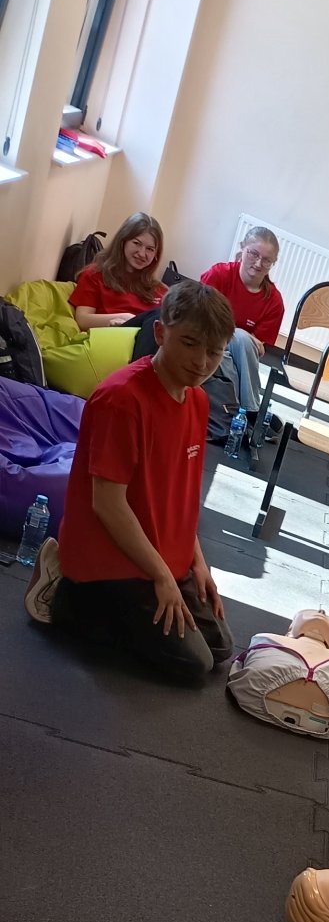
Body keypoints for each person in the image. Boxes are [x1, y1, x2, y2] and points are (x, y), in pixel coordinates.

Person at [23, 280, 235, 681]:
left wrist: (198, 562)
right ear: (161, 333)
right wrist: (161, 576)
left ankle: (126, 599)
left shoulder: (198, 400)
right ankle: (66, 591)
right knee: (195, 665)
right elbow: (107, 503)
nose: (201, 362)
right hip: (108, 556)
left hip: (157, 550)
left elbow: (179, 495)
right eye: (190, 343)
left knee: (221, 648)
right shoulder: (121, 399)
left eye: (214, 351)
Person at [200, 226, 285, 431]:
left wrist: (236, 336)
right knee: (238, 337)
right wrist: (235, 334)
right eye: (253, 254)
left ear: (273, 263)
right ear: (242, 248)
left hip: (234, 356)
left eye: (266, 260)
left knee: (239, 344)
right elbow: (199, 320)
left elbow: (255, 351)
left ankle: (239, 411)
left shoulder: (274, 301)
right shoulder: (219, 275)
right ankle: (251, 410)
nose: (258, 264)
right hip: (205, 343)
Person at [68, 212, 167, 330]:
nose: (142, 254)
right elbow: (83, 319)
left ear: (156, 254)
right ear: (123, 241)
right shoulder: (95, 275)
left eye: (150, 249)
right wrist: (124, 319)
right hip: (111, 336)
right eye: (136, 243)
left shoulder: (161, 290)